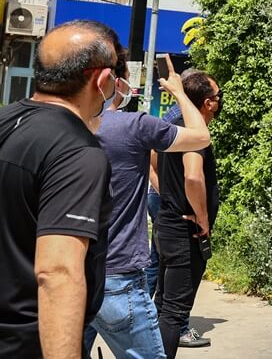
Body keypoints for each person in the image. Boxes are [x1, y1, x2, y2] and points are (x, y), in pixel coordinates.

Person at [0, 20, 121, 357]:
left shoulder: (6, 121)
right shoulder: (78, 153)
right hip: (26, 342)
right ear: (101, 79)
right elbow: (58, 273)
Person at [85, 55, 211, 359]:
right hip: (118, 274)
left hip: (71, 272)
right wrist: (179, 92)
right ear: (111, 83)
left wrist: (156, 183)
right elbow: (201, 136)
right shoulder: (133, 125)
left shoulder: (58, 126)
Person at [154, 71, 223, 358]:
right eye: (218, 97)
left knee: (161, 305)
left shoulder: (174, 128)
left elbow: (151, 162)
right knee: (174, 310)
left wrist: (167, 197)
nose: (220, 102)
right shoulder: (196, 137)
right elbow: (193, 178)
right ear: (208, 103)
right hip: (185, 232)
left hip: (166, 224)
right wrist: (202, 217)